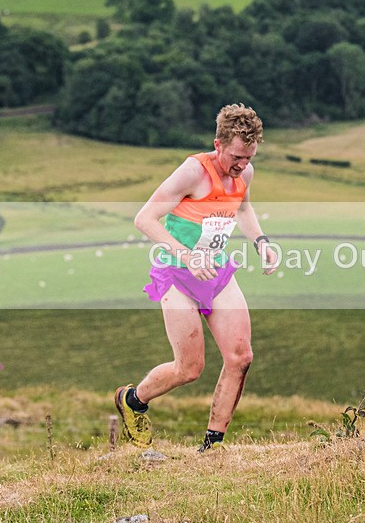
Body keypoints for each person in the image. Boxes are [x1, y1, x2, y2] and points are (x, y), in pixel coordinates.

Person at [114, 104, 278, 452]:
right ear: (218, 144)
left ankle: (212, 446)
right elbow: (144, 219)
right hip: (176, 273)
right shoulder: (192, 172)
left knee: (241, 357)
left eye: (249, 158)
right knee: (190, 368)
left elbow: (243, 209)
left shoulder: (243, 174)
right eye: (236, 157)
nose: (242, 166)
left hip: (215, 270)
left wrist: (261, 242)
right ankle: (133, 400)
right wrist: (185, 256)